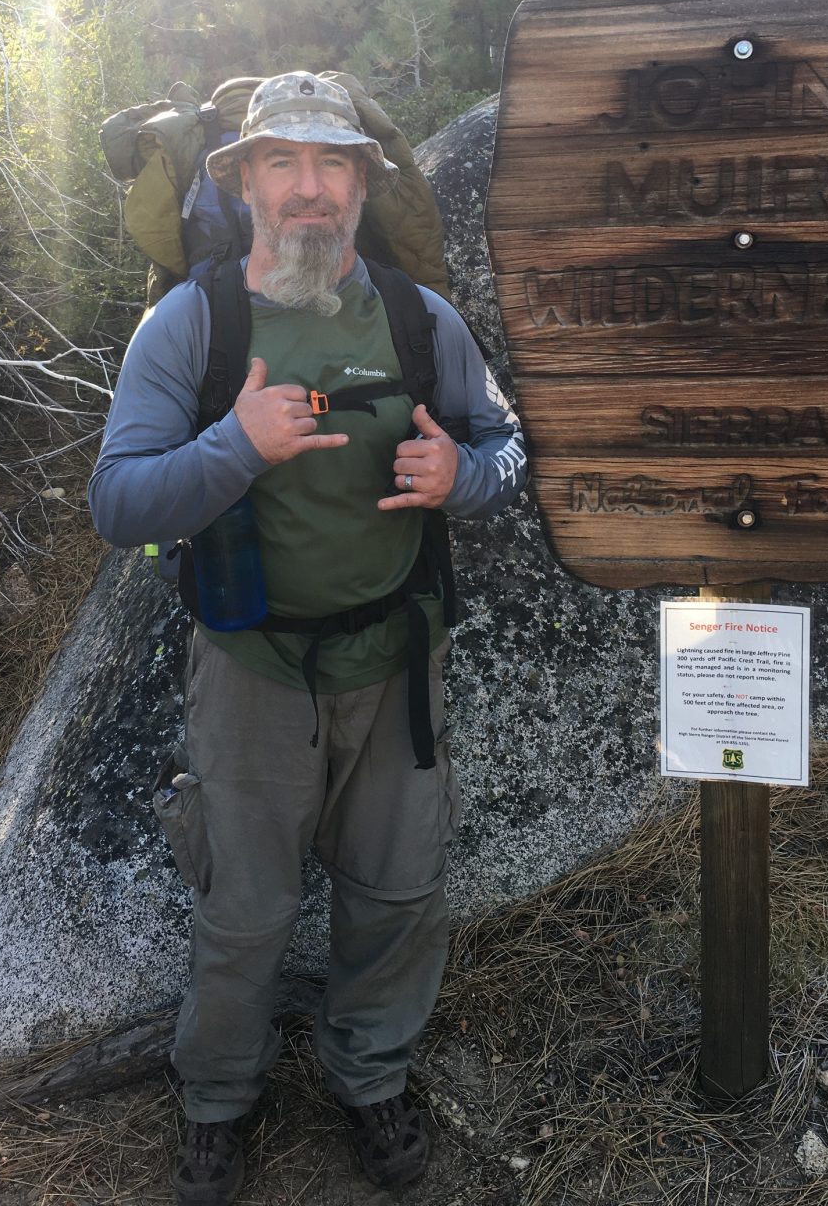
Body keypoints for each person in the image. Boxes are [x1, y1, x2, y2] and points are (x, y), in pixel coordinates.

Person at [88, 72, 527, 1204]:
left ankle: (370, 1073)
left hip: (398, 661)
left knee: (398, 891)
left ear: (364, 185)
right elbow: (118, 504)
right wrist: (235, 444)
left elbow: (508, 446)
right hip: (251, 668)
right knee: (245, 910)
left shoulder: (421, 320)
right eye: (281, 161)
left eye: (333, 163)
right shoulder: (192, 325)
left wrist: (463, 475)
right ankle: (215, 1101)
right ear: (242, 183)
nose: (309, 187)